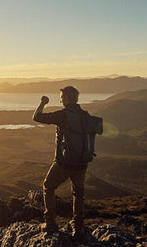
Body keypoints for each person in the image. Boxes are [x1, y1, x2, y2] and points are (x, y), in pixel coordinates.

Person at [32, 86, 102, 239]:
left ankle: (50, 223)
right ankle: (78, 227)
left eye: (62, 97)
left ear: (68, 98)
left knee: (48, 186)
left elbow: (36, 117)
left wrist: (43, 102)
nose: (60, 99)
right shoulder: (85, 115)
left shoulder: (63, 115)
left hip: (64, 162)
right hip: (82, 162)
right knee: (78, 193)